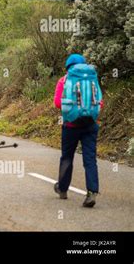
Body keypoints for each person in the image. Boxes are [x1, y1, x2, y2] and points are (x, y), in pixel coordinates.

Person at [53, 54, 103, 208]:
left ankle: (62, 189)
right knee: (90, 159)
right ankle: (92, 192)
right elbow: (100, 101)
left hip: (70, 126)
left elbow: (57, 103)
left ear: (68, 66)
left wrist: (73, 111)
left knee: (67, 157)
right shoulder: (91, 78)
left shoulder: (64, 80)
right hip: (90, 125)